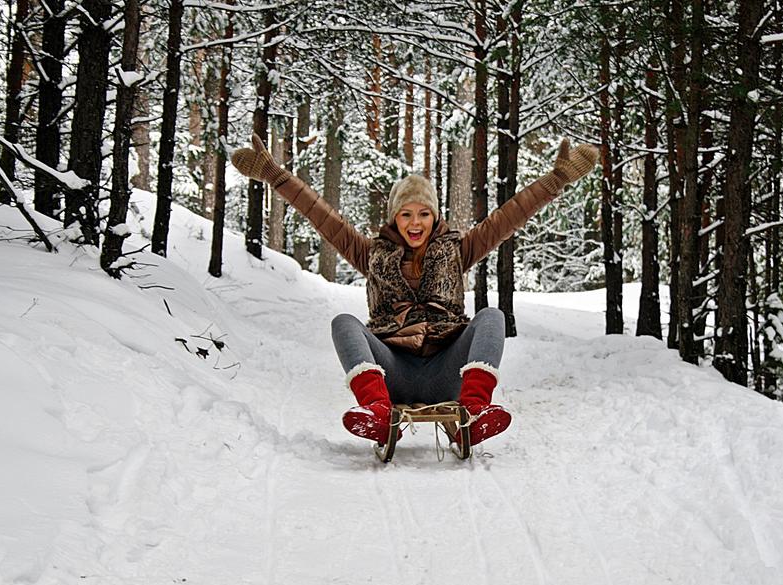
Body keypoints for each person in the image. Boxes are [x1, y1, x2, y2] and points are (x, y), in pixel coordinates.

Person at [231, 134, 597, 447]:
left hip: (447, 369)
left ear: (434, 216)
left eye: (423, 213)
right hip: (394, 372)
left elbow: (509, 215)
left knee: (492, 317)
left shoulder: (458, 250)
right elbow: (321, 215)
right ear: (394, 218)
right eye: (406, 214)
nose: (415, 222)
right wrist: (274, 175)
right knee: (344, 321)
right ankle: (375, 411)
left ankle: (474, 409)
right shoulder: (372, 253)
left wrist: (557, 178)